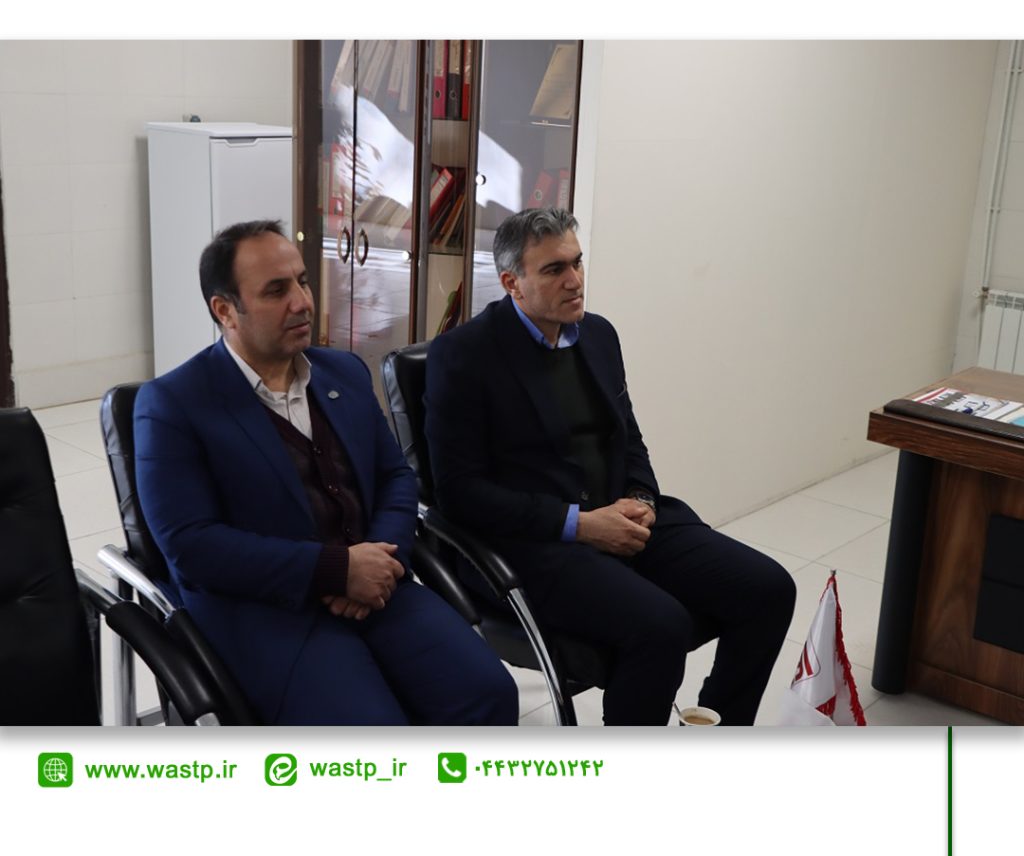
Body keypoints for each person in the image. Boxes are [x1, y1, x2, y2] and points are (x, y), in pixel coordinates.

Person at [134, 220, 517, 726]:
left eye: (302, 281)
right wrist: (337, 570)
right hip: (268, 614)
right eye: (276, 291)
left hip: (377, 588)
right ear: (225, 310)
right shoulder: (173, 404)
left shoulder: (343, 372)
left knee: (489, 693)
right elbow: (191, 546)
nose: (302, 302)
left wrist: (379, 561)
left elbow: (395, 478)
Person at [424, 208, 796, 726]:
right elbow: (460, 493)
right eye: (554, 269)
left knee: (769, 589)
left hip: (620, 514)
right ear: (512, 282)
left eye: (577, 263)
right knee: (661, 626)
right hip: (535, 543)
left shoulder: (598, 335)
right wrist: (580, 525)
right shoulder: (464, 355)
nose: (575, 280)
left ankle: (720, 729)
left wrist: (641, 500)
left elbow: (629, 438)